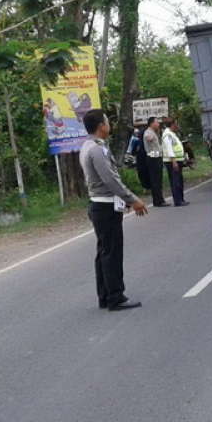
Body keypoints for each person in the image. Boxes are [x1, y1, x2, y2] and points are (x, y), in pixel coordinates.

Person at [79, 109, 147, 311]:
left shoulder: (88, 146)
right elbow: (110, 179)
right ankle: (116, 297)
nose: (110, 125)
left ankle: (105, 295)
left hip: (100, 204)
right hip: (105, 206)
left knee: (104, 252)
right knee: (112, 253)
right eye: (107, 121)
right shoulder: (97, 150)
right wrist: (132, 199)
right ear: (101, 126)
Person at [162, 118, 189, 206]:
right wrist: (174, 161)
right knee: (175, 181)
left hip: (177, 160)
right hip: (172, 162)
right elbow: (169, 148)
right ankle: (177, 201)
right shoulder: (167, 135)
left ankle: (181, 199)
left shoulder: (172, 134)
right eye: (176, 124)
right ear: (172, 124)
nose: (177, 126)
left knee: (179, 180)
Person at [143, 117, 169, 207]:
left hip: (157, 157)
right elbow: (148, 138)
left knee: (159, 180)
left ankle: (160, 199)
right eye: (156, 122)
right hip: (152, 157)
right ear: (151, 123)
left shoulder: (154, 132)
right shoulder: (148, 132)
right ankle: (158, 201)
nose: (158, 124)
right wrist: (154, 135)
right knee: (155, 180)